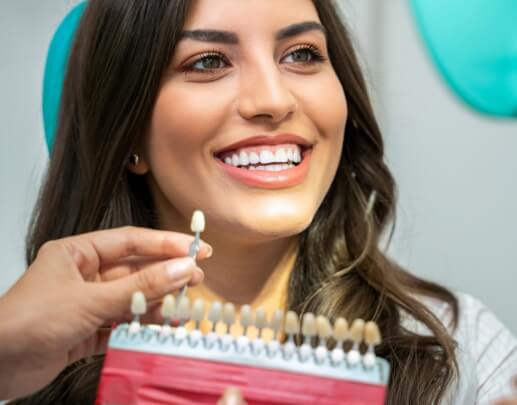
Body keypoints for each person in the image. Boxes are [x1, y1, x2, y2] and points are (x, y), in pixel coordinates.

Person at [3, 0, 517, 404]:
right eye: (208, 62)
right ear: (129, 129)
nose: (272, 100)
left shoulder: (458, 347)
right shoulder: (27, 363)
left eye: (302, 54)